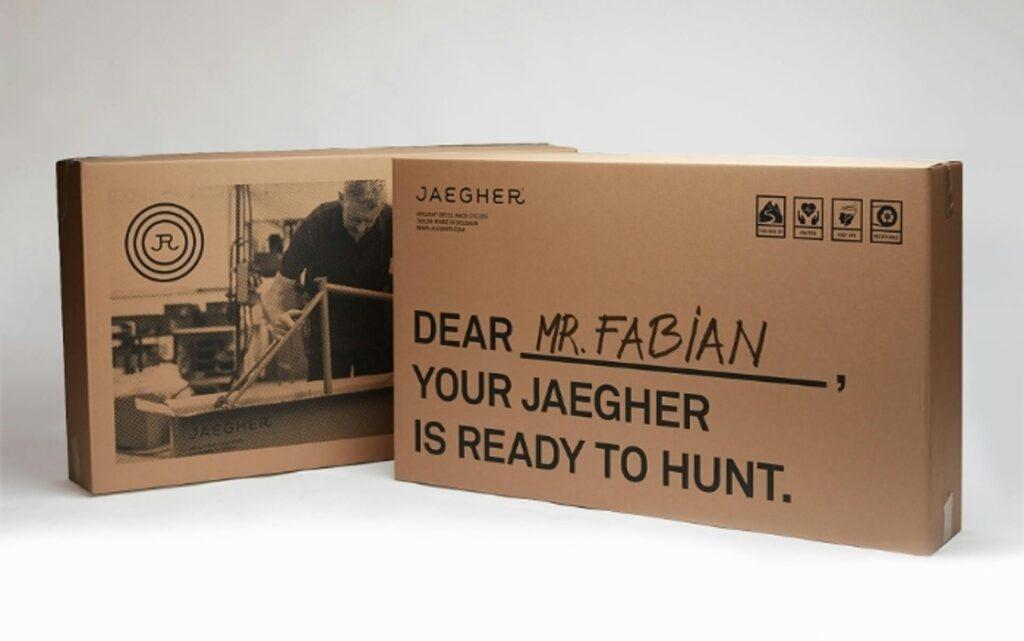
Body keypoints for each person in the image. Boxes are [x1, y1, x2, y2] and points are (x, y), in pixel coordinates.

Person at [262, 179, 392, 381]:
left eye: (369, 221)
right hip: (327, 322)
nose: (360, 229)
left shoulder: (392, 221)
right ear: (341, 198)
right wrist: (276, 316)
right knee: (323, 391)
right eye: (355, 219)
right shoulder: (316, 223)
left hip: (375, 321)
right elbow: (274, 294)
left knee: (377, 391)